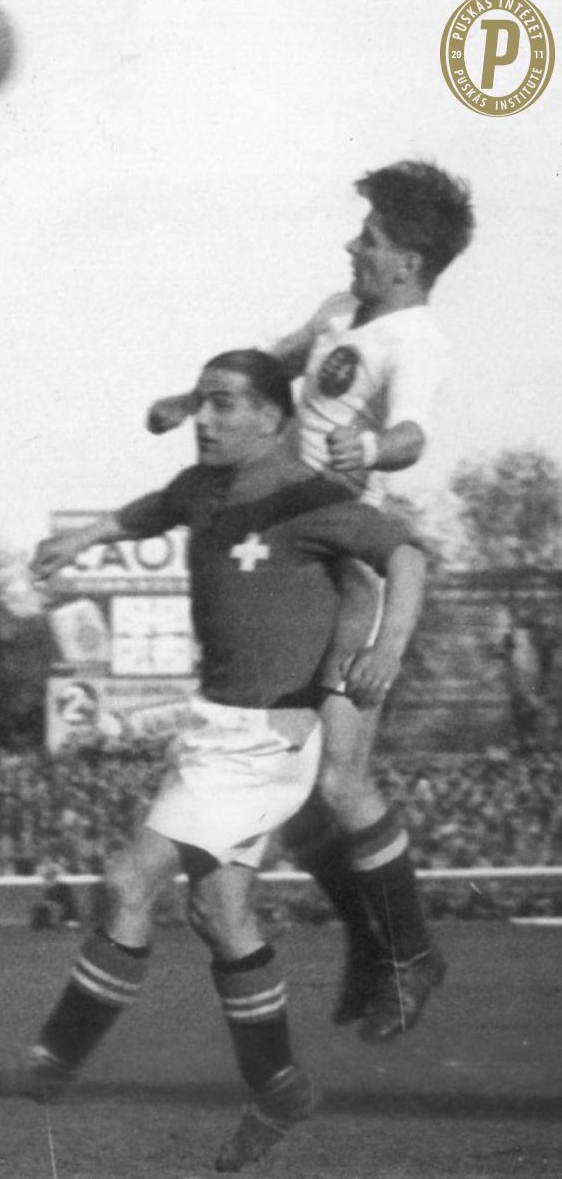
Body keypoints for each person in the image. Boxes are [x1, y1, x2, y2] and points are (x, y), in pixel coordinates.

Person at [0, 349, 427, 1172]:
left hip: (267, 737)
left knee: (127, 882)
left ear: (272, 419)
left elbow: (405, 556)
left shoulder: (308, 495)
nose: (203, 419)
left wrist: (386, 646)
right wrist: (84, 538)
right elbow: (151, 511)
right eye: (201, 402)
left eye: (222, 404)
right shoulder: (201, 488)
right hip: (214, 733)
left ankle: (51, 1066)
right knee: (219, 914)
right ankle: (278, 1087)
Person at [147, 160, 475, 1041]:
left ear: (406, 261)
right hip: (296, 573)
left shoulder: (416, 342)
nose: (351, 247)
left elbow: (411, 433)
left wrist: (372, 449)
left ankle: (409, 952)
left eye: (368, 239)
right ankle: (371, 945)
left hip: (346, 574)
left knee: (337, 779)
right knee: (295, 805)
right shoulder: (341, 313)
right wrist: (189, 400)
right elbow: (277, 363)